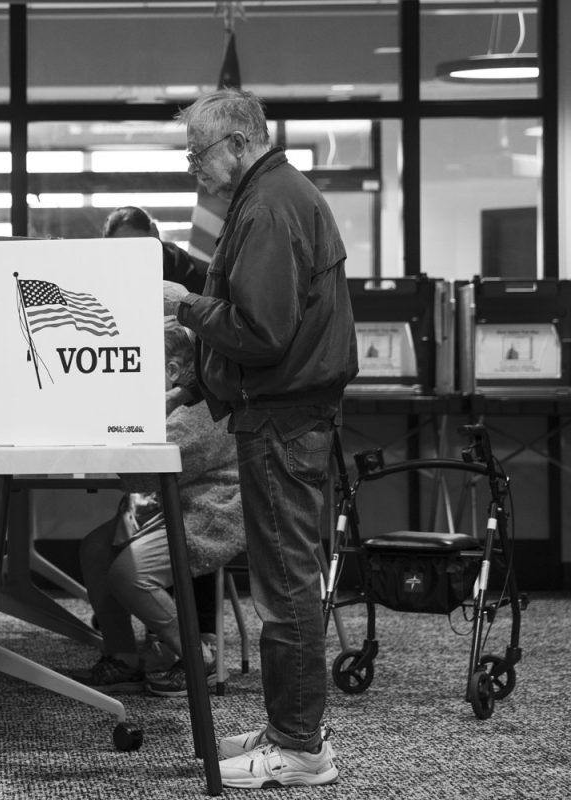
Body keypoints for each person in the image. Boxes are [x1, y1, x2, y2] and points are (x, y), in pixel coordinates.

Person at [164, 88, 358, 789]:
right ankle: (290, 727)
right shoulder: (269, 196)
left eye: (197, 154)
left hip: (284, 423)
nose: (194, 170)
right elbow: (267, 328)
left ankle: (301, 747)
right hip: (281, 416)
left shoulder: (270, 207)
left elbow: (261, 331)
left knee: (284, 589)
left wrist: (182, 305)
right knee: (283, 582)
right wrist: (198, 387)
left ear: (240, 143)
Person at [69, 207, 243, 697]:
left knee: (128, 574)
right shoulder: (177, 395)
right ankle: (123, 654)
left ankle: (196, 651)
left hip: (207, 512)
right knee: (92, 548)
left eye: (165, 358)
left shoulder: (201, 405)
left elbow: (145, 470)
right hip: (165, 507)